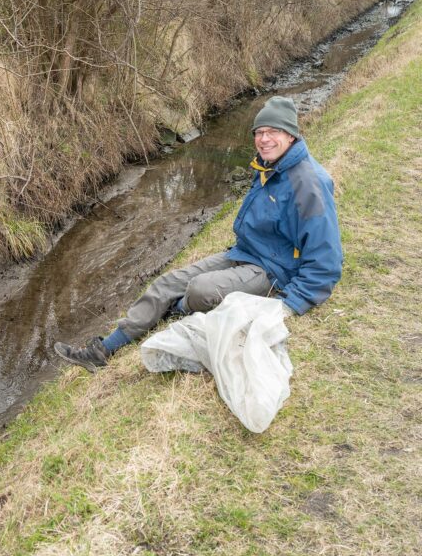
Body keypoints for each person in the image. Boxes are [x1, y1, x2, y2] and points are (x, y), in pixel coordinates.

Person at [54, 96, 343, 372]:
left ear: (291, 135)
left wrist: (288, 305)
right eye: (260, 132)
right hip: (245, 254)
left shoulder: (309, 184)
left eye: (273, 132)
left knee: (200, 289)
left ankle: (175, 310)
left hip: (275, 273)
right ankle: (103, 350)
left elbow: (326, 264)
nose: (264, 139)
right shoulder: (270, 165)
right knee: (167, 283)